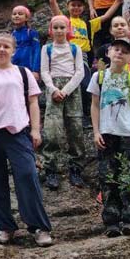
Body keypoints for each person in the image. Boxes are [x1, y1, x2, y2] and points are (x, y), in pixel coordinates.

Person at [0, 34, 53, 247]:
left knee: (27, 175)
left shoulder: (23, 73)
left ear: (13, 50)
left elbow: (33, 103)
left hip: (17, 132)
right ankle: (4, 226)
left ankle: (39, 227)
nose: (2, 49)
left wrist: (36, 129)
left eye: (6, 46)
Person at [88, 38, 130, 236]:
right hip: (106, 133)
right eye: (116, 49)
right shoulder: (98, 77)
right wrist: (96, 132)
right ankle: (111, 221)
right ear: (108, 52)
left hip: (128, 133)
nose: (119, 53)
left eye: (125, 51)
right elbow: (94, 106)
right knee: (107, 177)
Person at [39, 16, 87, 190]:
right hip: (53, 90)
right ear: (51, 30)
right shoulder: (47, 48)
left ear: (68, 29)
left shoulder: (75, 48)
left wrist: (66, 90)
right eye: (56, 28)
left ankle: (76, 168)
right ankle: (51, 169)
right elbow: (44, 71)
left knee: (75, 128)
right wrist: (53, 90)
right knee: (52, 130)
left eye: (62, 27)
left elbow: (80, 72)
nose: (59, 31)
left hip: (72, 90)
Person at [10, 5, 41, 75]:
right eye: (14, 14)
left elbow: (37, 50)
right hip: (14, 69)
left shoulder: (31, 33)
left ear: (26, 18)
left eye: (20, 14)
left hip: (28, 69)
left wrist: (35, 70)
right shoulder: (12, 35)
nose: (16, 16)